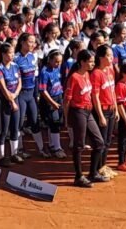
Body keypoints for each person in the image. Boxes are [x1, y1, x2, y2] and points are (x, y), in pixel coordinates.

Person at [64, 49, 107, 188]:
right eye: (90, 61)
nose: (92, 64)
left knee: (99, 142)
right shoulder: (74, 77)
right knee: (79, 145)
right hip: (77, 112)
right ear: (82, 62)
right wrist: (66, 118)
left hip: (88, 112)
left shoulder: (88, 74)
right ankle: (78, 176)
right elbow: (67, 101)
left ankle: (93, 173)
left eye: (93, 61)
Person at [14, 33, 51, 158]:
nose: (33, 45)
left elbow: (35, 77)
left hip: (31, 95)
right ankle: (18, 150)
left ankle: (41, 148)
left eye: (34, 42)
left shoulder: (32, 56)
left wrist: (37, 94)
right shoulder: (15, 59)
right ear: (22, 42)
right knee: (19, 123)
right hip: (20, 95)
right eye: (30, 42)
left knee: (35, 121)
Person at [90, 45, 119, 179]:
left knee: (107, 141)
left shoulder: (110, 70)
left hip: (112, 110)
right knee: (100, 142)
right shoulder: (96, 73)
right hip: (102, 111)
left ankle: (103, 166)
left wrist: (116, 109)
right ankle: (97, 169)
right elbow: (95, 96)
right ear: (101, 58)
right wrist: (100, 115)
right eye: (108, 55)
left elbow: (113, 91)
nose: (111, 57)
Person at [0, 42, 23, 167]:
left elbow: (19, 83)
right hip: (5, 103)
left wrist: (15, 95)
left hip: (15, 99)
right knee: (3, 130)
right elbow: (3, 88)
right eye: (10, 53)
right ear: (3, 54)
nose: (12, 55)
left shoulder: (16, 66)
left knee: (15, 129)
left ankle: (14, 154)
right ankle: (1, 158)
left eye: (13, 52)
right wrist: (11, 100)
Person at [39, 49, 66, 158]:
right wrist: (52, 102)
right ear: (49, 60)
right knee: (55, 123)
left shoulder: (57, 68)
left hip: (59, 97)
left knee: (57, 122)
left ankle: (52, 144)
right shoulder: (44, 72)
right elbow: (43, 90)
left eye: (60, 62)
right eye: (56, 61)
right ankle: (57, 148)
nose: (58, 64)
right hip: (50, 100)